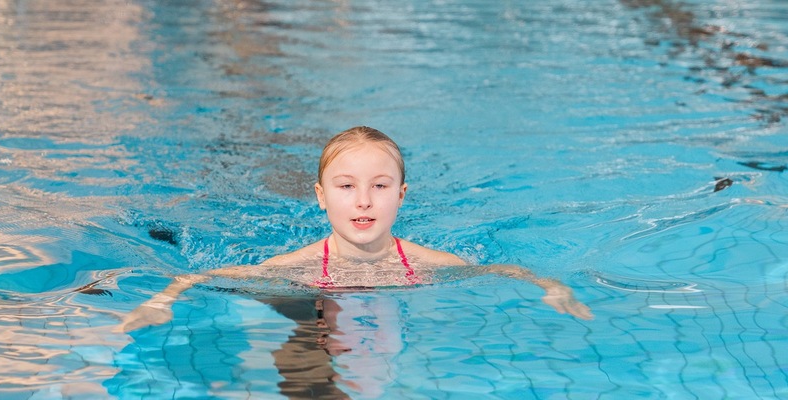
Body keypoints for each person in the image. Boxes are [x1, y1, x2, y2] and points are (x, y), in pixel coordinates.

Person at [119, 126, 593, 333]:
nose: (363, 200)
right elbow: (207, 274)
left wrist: (551, 286)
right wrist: (164, 300)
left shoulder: (429, 262)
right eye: (345, 186)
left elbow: (503, 269)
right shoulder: (296, 265)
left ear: (401, 195)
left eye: (379, 186)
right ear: (322, 196)